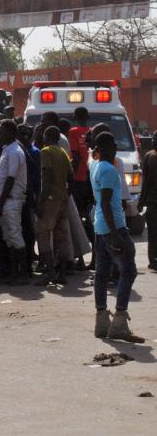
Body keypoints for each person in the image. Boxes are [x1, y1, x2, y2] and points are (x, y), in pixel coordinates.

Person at [90, 132, 144, 343]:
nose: (115, 147)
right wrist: (115, 235)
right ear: (106, 148)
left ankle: (102, 319)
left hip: (100, 226)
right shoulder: (109, 169)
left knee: (102, 273)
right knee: (128, 271)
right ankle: (120, 320)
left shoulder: (95, 166)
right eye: (113, 144)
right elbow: (105, 202)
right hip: (113, 227)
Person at [33, 126, 73, 284]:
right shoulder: (62, 152)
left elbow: (47, 179)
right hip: (63, 198)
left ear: (46, 136)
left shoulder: (46, 151)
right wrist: (66, 194)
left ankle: (50, 272)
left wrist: (40, 201)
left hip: (51, 199)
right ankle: (62, 274)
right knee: (61, 237)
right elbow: (71, 177)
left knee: (42, 234)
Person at [0, 119, 28, 284]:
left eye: (1, 132)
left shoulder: (15, 151)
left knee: (15, 235)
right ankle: (13, 272)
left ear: (11, 133)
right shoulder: (6, 149)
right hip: (4, 199)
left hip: (11, 200)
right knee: (8, 236)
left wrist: (0, 202)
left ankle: (22, 274)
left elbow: (11, 178)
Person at [138, 135, 157, 271]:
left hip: (151, 200)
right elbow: (145, 181)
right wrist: (141, 201)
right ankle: (153, 259)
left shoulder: (150, 156)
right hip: (152, 201)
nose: (154, 142)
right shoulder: (149, 156)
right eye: (154, 139)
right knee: (152, 231)